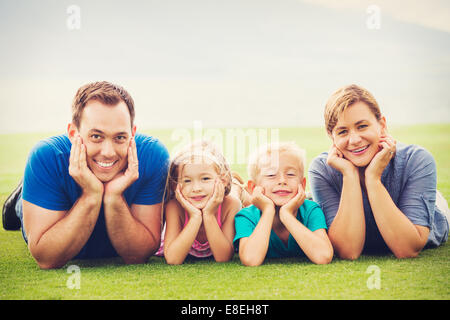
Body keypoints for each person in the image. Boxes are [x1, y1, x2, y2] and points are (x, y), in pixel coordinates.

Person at [2, 81, 169, 269]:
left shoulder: (152, 155)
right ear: (73, 133)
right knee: (22, 209)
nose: (108, 152)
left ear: (133, 134)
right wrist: (91, 195)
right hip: (51, 201)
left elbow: (139, 255)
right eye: (96, 136)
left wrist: (113, 196)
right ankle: (21, 195)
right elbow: (46, 258)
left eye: (120, 137)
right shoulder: (46, 156)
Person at [308, 84, 449, 260]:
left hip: (428, 212)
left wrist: (373, 179)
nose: (354, 140)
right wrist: (349, 175)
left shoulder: (417, 160)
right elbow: (348, 251)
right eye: (343, 131)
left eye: (362, 126)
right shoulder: (322, 169)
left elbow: (407, 249)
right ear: (332, 137)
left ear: (381, 125)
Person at [233, 142, 333, 266]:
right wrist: (268, 211)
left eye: (290, 174)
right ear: (253, 187)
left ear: (302, 184)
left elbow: (323, 256)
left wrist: (286, 215)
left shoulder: (311, 210)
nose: (282, 181)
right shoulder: (246, 216)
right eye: (271, 175)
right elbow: (251, 260)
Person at [155, 140, 241, 264]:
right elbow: (173, 259)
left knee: (240, 196)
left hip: (230, 195)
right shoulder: (174, 207)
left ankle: (238, 186)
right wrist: (195, 217)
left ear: (222, 180)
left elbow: (223, 257)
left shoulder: (231, 205)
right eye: (187, 181)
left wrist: (209, 215)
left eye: (205, 178)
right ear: (176, 185)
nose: (196, 188)